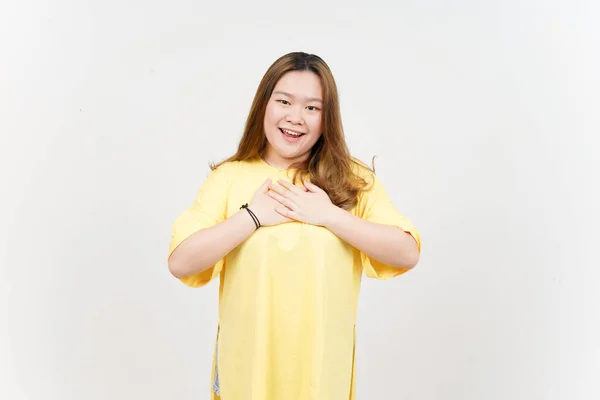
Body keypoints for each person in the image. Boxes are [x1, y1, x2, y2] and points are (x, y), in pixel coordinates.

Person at [167, 51, 421, 400]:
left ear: (326, 117)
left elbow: (406, 252)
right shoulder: (229, 178)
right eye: (284, 101)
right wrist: (252, 216)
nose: (295, 118)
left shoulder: (352, 179)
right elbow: (181, 261)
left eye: (312, 108)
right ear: (264, 105)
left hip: (321, 376)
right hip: (246, 374)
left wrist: (329, 214)